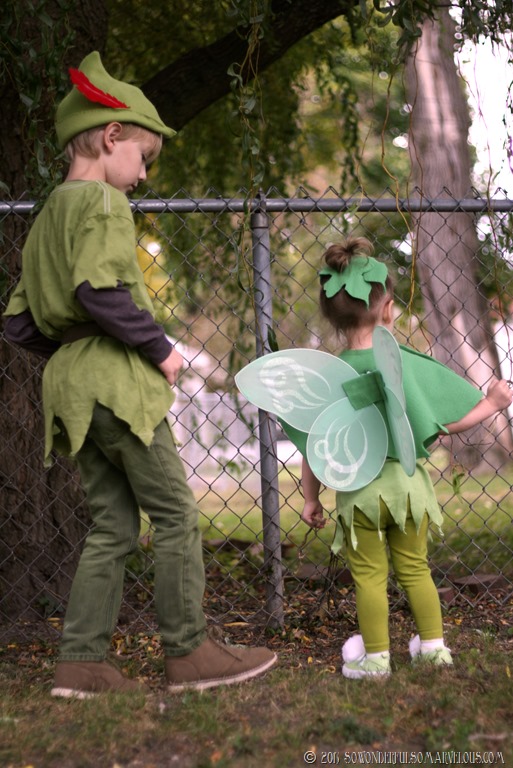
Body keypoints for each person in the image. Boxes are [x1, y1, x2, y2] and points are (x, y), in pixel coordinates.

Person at [3, 51, 277, 697]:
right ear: (111, 135)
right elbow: (100, 290)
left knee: (113, 524)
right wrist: (161, 351)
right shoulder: (101, 202)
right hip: (115, 388)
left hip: (69, 389)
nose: (143, 176)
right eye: (144, 158)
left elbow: (17, 324)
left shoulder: (46, 217)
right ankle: (189, 654)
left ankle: (81, 664)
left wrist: (72, 362)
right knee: (177, 514)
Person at [300, 236, 512, 680]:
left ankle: (376, 659)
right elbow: (440, 423)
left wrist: (311, 499)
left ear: (331, 316)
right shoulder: (403, 363)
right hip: (409, 490)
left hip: (359, 495)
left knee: (370, 578)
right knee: (416, 570)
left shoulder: (330, 377)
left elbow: (316, 445)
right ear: (389, 308)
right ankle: (434, 649)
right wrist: (490, 405)